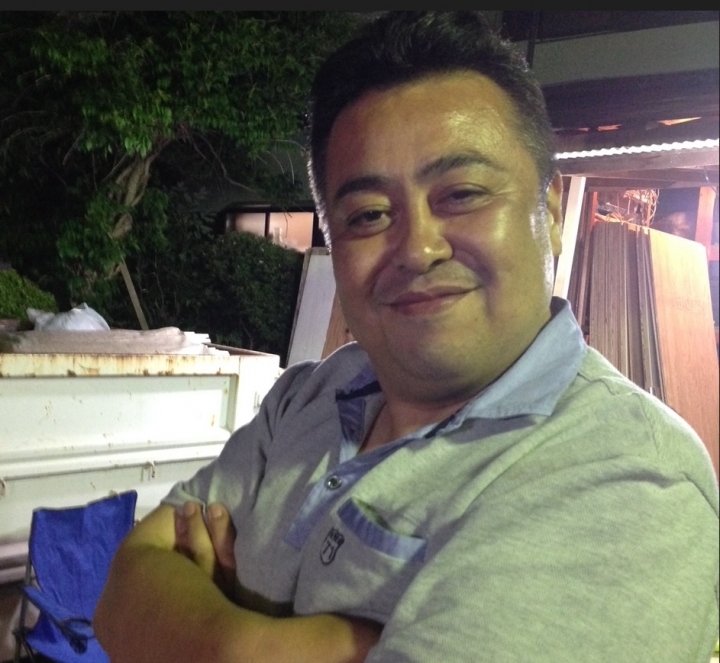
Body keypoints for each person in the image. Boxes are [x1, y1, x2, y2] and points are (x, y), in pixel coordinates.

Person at [94, 11, 719, 663]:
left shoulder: (629, 478)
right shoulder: (309, 397)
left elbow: (150, 612)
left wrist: (202, 618)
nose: (418, 248)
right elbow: (122, 594)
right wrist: (278, 644)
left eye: (462, 194)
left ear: (551, 211)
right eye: (369, 214)